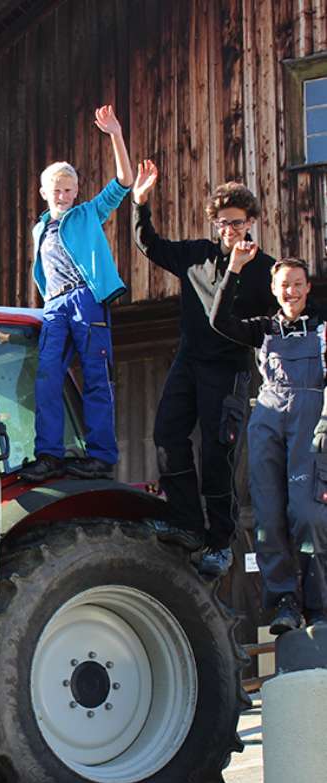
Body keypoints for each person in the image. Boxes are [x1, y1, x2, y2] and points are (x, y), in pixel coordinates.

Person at [132, 165, 275, 576]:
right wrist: (140, 203)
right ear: (214, 223)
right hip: (188, 361)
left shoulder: (264, 269)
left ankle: (219, 542)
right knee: (167, 434)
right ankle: (187, 524)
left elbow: (279, 315)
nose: (230, 229)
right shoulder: (196, 255)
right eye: (223, 222)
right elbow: (150, 246)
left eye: (238, 222)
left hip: (229, 371)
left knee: (217, 453)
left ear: (250, 223)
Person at [210, 249, 327, 634]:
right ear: (274, 290)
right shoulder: (264, 328)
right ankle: (284, 603)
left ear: (308, 287)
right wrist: (234, 269)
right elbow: (219, 319)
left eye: (297, 284)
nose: (290, 291)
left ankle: (318, 605)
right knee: (268, 517)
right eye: (283, 285)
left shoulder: (323, 325)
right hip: (268, 417)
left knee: (308, 516)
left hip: (311, 419)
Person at [20, 104, 134, 482]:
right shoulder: (40, 230)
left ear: (77, 191)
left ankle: (101, 454)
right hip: (54, 304)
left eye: (69, 189)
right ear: (43, 192)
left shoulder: (86, 214)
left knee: (96, 375)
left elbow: (124, 182)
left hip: (86, 298)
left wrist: (115, 134)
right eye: (57, 190)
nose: (63, 196)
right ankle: (49, 453)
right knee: (47, 376)